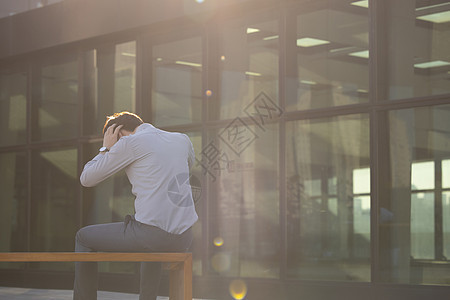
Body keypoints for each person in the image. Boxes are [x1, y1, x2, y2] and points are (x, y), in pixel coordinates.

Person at [73, 111, 198, 300]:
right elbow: (189, 163)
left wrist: (106, 149)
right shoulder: (182, 139)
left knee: (83, 237)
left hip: (152, 235)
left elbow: (87, 179)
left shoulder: (128, 143)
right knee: (150, 236)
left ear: (117, 132)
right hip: (184, 236)